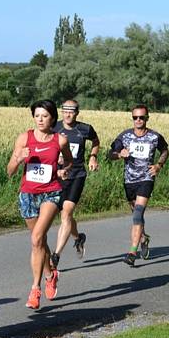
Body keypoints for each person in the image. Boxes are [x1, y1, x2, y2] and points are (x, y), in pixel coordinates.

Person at [7, 99, 72, 309]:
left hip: (51, 193)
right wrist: (18, 158)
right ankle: (50, 273)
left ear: (52, 117)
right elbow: (9, 172)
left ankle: (35, 290)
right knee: (40, 241)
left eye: (44, 116)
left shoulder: (59, 140)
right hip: (27, 194)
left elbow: (70, 161)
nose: (40, 119)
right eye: (37, 116)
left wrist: (63, 169)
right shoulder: (24, 138)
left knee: (36, 239)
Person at [108, 105, 169, 266]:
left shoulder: (155, 136)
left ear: (147, 118)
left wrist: (158, 165)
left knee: (137, 213)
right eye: (135, 117)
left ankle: (132, 252)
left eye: (142, 117)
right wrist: (119, 154)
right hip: (129, 180)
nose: (138, 120)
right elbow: (110, 153)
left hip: (146, 179)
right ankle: (143, 238)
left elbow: (165, 150)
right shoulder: (125, 136)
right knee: (137, 215)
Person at [50, 99, 100, 268]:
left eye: (71, 111)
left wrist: (93, 156)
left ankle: (56, 256)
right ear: (61, 112)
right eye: (65, 110)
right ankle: (78, 238)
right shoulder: (54, 128)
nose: (68, 114)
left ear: (77, 113)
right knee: (66, 216)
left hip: (77, 175)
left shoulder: (85, 129)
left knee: (66, 214)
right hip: (57, 176)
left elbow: (96, 141)